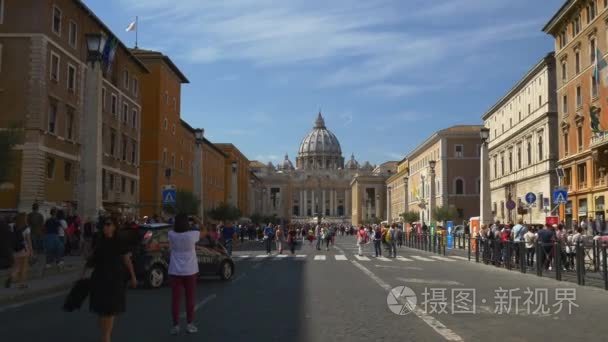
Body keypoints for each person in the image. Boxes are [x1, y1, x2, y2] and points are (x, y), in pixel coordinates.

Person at [84, 217, 137, 342]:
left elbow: (127, 260)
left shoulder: (119, 241)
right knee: (102, 313)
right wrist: (83, 274)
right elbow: (91, 260)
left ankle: (106, 337)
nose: (106, 227)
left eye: (108, 225)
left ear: (114, 227)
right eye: (104, 225)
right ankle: (105, 336)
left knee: (109, 313)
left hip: (115, 280)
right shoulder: (98, 240)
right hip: (100, 279)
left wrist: (133, 276)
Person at [168, 214, 200, 335]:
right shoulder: (192, 235)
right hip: (190, 270)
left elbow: (171, 227)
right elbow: (204, 230)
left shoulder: (171, 234)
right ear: (187, 223)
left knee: (176, 299)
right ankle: (190, 324)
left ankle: (175, 325)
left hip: (175, 271)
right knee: (190, 298)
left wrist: (176, 222)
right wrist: (196, 219)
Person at [5, 213, 32, 289]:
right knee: (24, 268)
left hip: (14, 250)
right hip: (24, 250)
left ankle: (11, 276)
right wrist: (31, 251)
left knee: (16, 267)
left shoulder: (11, 226)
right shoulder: (26, 228)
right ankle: (22, 284)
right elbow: (29, 241)